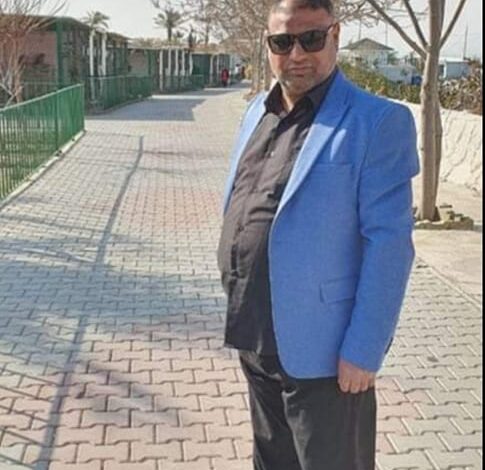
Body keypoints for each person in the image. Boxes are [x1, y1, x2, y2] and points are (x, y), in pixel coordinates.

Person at [217, 0, 420, 469]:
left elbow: (389, 246)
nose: (297, 55)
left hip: (327, 356)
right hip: (256, 333)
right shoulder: (257, 111)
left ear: (336, 35)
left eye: (311, 39)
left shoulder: (377, 122)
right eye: (282, 42)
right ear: (267, 44)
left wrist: (364, 350)